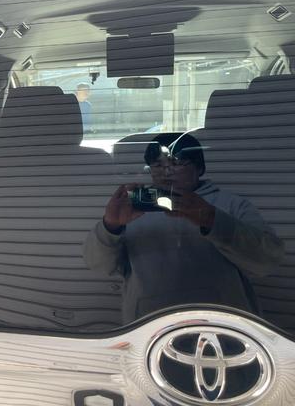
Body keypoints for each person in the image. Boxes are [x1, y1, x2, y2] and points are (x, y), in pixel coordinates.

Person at [84, 132, 284, 324]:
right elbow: (99, 266)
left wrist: (211, 219)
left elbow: (268, 261)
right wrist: (110, 226)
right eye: (157, 165)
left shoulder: (230, 204)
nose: (166, 171)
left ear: (199, 168)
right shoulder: (131, 210)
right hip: (148, 327)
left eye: (177, 163)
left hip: (223, 325)